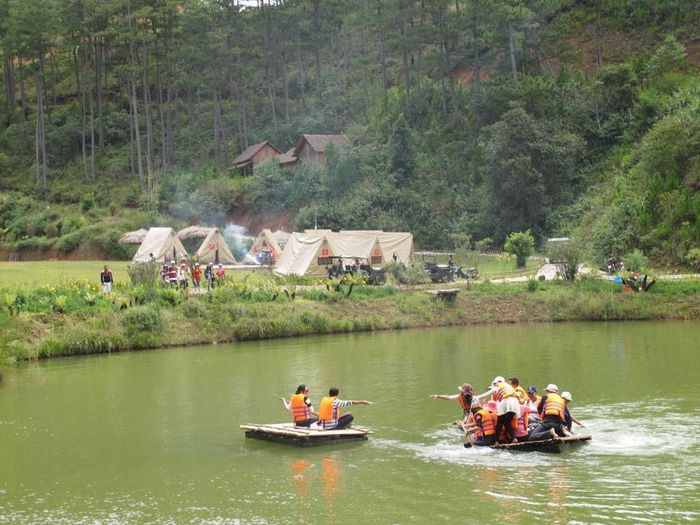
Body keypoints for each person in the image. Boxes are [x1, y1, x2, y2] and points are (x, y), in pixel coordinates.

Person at [475, 376, 521, 443]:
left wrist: (476, 397)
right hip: (515, 403)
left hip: (506, 402)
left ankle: (495, 440)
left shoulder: (497, 387)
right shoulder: (508, 386)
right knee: (507, 422)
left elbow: (485, 395)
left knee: (499, 422)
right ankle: (514, 438)